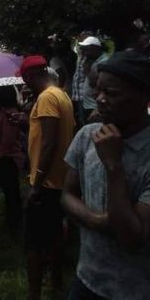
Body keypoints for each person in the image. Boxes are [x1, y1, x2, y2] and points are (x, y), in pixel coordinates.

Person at [61, 51, 150, 300]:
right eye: (96, 90)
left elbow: (132, 237)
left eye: (111, 93)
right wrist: (96, 220)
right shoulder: (87, 135)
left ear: (143, 96)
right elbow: (67, 193)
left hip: (135, 290)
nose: (99, 99)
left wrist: (113, 165)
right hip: (86, 280)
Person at [19, 55, 75, 300]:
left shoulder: (46, 98)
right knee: (54, 237)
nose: (24, 85)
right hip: (59, 179)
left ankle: (34, 294)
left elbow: (50, 143)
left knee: (33, 243)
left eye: (25, 80)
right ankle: (57, 285)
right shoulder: (61, 94)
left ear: (31, 76)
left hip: (47, 182)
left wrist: (37, 184)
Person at [0, 86, 24, 237]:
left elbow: (7, 141)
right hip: (0, 157)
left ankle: (14, 228)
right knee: (9, 193)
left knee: (12, 195)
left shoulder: (10, 114)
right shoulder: (1, 111)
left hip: (7, 159)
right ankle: (11, 225)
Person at [80, 36, 109, 123]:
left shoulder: (103, 61)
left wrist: (86, 69)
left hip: (94, 105)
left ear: (96, 48)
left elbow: (94, 82)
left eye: (87, 49)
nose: (85, 52)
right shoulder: (93, 60)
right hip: (88, 103)